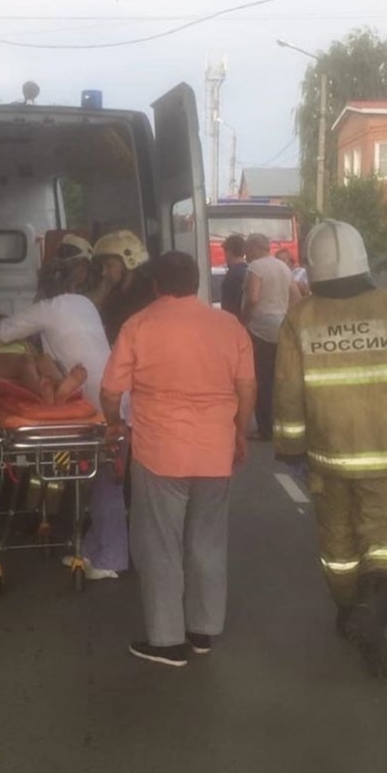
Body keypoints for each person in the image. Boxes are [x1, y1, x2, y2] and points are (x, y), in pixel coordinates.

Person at [273, 220, 387, 680]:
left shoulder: (301, 318)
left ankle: (350, 610)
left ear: (313, 269)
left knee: (339, 547)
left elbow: (288, 392)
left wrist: (290, 446)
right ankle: (376, 609)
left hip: (327, 459)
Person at [101, 251, 256, 668]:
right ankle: (202, 631)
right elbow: (246, 387)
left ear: (156, 286)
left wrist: (114, 423)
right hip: (215, 451)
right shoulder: (228, 325)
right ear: (196, 282)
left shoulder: (139, 325)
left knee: (160, 546)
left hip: (159, 453)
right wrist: (239, 432)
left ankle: (167, 642)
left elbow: (112, 391)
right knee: (207, 541)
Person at [0, 256, 127, 579]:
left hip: (97, 404)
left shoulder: (48, 308)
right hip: (116, 393)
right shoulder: (85, 304)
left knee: (106, 485)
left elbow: (0, 331)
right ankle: (97, 550)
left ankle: (111, 559)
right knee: (105, 484)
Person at [243, 232, 300, 440]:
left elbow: (253, 297)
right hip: (281, 326)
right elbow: (296, 297)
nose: (245, 254)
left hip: (260, 328)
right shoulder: (283, 267)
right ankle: (282, 425)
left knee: (261, 378)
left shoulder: (256, 267)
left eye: (247, 249)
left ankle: (265, 428)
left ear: (255, 248)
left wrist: (245, 318)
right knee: (279, 379)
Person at [0, 340, 87, 404]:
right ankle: (40, 391)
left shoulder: (22, 344)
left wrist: (27, 345)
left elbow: (37, 360)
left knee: (44, 357)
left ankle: (60, 390)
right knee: (26, 359)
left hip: (27, 364)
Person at [91, 229, 156, 345]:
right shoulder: (114, 296)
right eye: (102, 266)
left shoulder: (147, 299)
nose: (104, 273)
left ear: (129, 261)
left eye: (109, 265)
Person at [219, 233, 248, 319]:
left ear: (228, 252)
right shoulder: (250, 270)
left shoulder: (232, 275)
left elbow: (228, 306)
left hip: (234, 321)